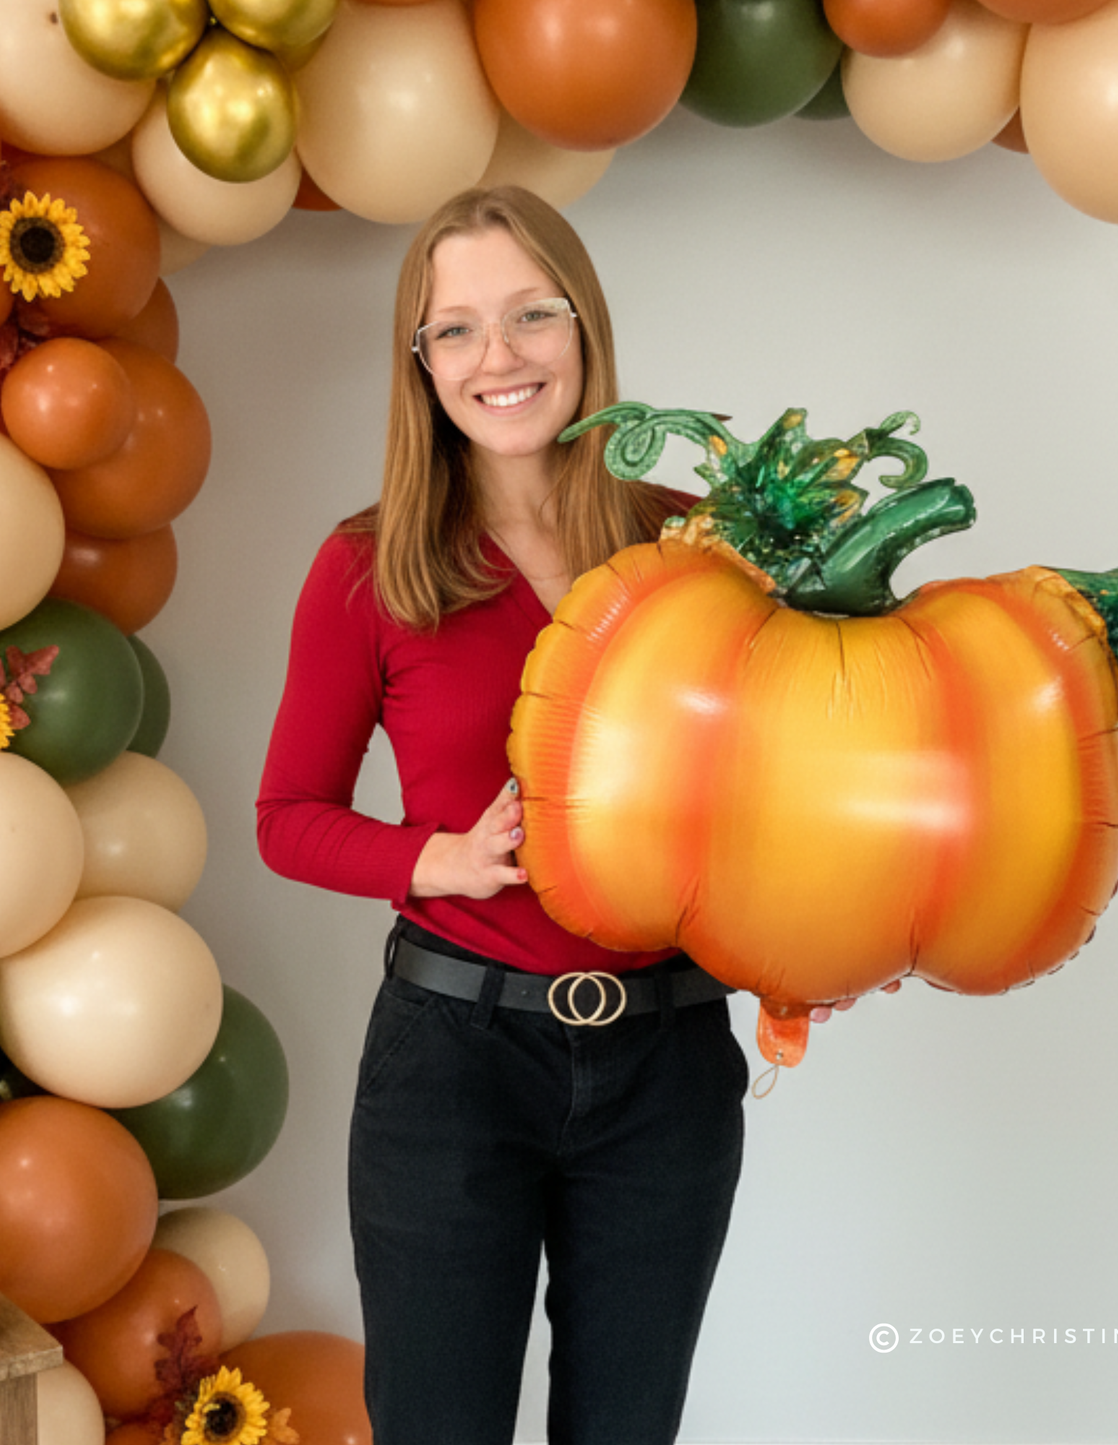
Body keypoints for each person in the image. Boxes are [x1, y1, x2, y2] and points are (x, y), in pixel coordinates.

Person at [255, 186, 751, 1445]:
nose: (502, 356)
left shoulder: (686, 547)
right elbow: (287, 816)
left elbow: (767, 786)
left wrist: (818, 935)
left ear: (583, 330)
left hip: (668, 1063)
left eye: (533, 314)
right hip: (451, 1065)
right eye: (458, 329)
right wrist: (441, 856)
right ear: (419, 365)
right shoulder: (369, 566)